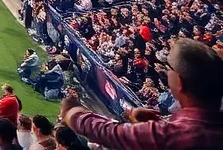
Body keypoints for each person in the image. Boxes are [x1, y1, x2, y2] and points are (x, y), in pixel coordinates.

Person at [60, 38, 223, 149]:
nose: (166, 72)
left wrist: (72, 111)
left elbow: (108, 132)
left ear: (179, 82)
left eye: (169, 68)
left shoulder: (174, 135)